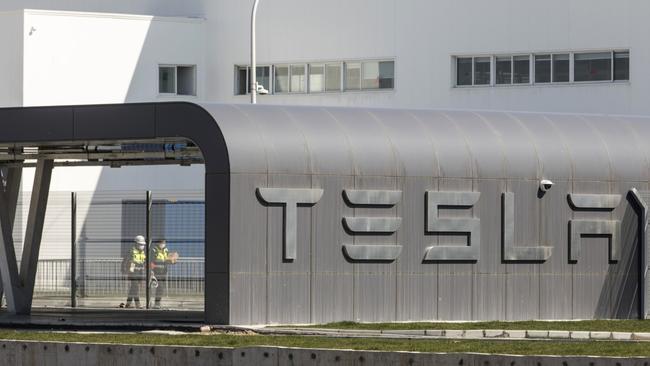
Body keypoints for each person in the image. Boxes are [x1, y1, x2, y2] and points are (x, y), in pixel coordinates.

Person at [150, 239, 178, 309]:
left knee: (161, 288)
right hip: (156, 271)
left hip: (163, 271)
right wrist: (152, 270)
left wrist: (173, 261)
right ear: (158, 243)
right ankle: (156, 303)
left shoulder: (166, 250)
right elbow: (151, 261)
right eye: (162, 243)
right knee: (160, 287)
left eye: (164, 243)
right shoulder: (154, 250)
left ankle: (157, 302)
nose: (163, 244)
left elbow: (166, 260)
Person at [124, 235, 146, 308]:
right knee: (135, 287)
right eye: (140, 244)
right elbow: (125, 261)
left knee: (133, 288)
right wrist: (124, 270)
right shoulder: (131, 251)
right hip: (132, 272)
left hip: (140, 272)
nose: (142, 246)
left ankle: (128, 303)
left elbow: (144, 262)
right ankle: (137, 304)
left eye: (143, 244)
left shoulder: (143, 252)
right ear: (136, 243)